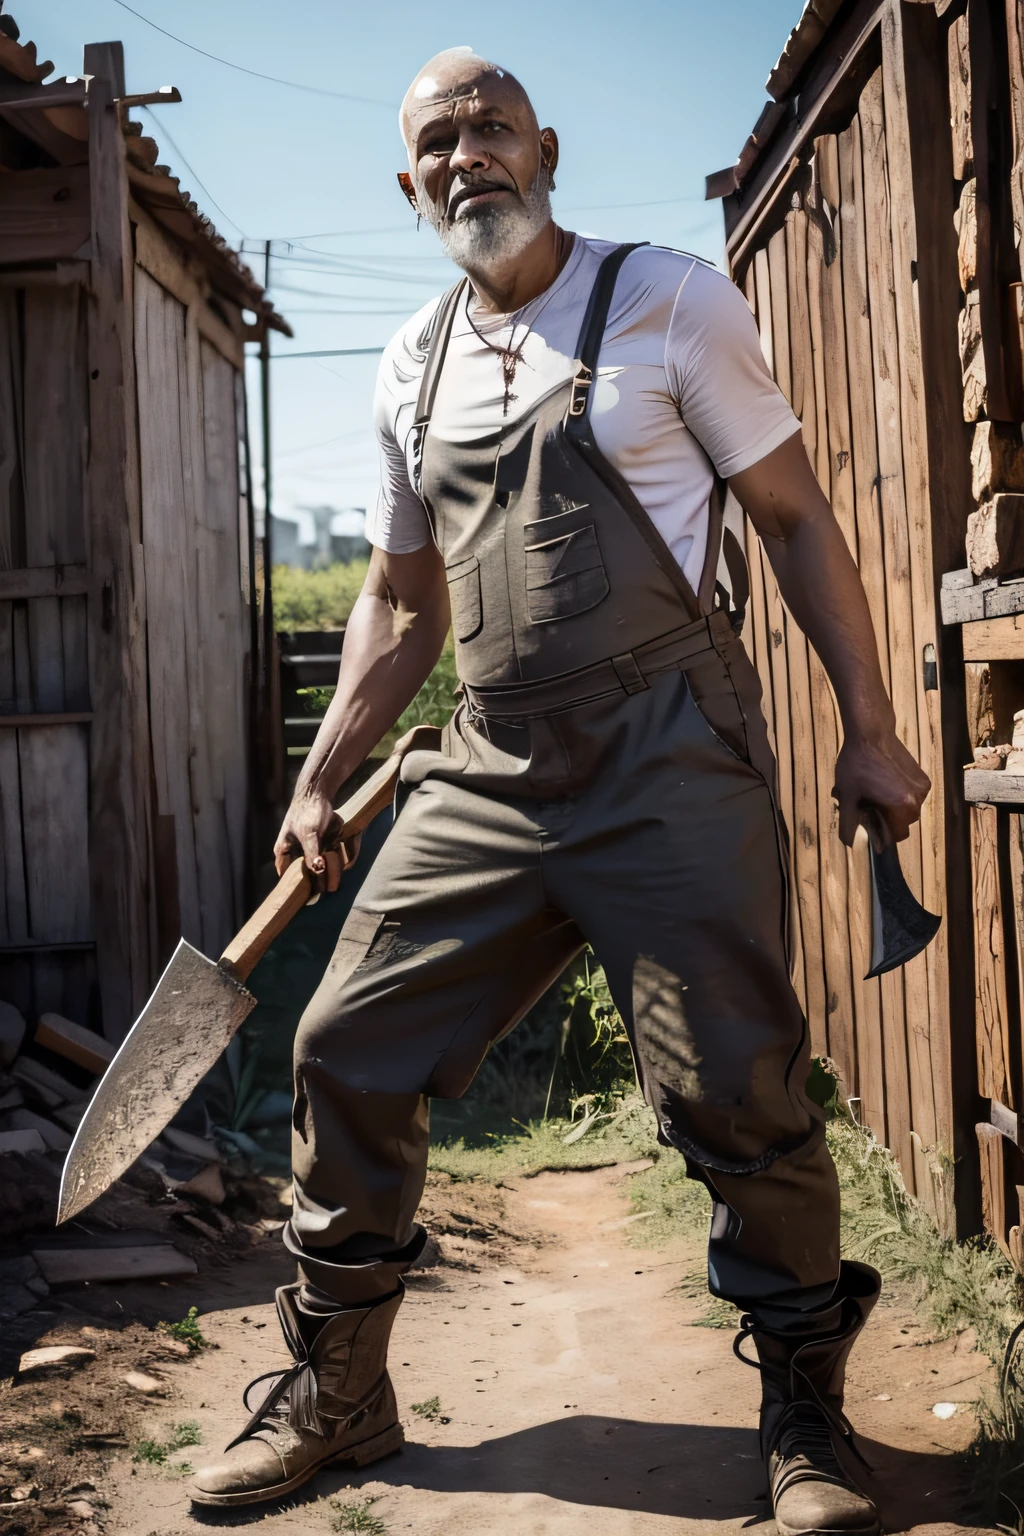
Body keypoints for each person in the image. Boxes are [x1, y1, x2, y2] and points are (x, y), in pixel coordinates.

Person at [192, 48, 929, 1533]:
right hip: (493, 760)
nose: (467, 157)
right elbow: (404, 603)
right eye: (436, 144)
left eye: (490, 128)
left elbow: (790, 518)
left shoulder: (666, 299)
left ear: (545, 148)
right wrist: (321, 777)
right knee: (345, 1042)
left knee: (736, 1084)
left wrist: (870, 722)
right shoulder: (412, 359)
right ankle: (342, 1395)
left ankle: (804, 1415)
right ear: (409, 186)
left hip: (667, 750)